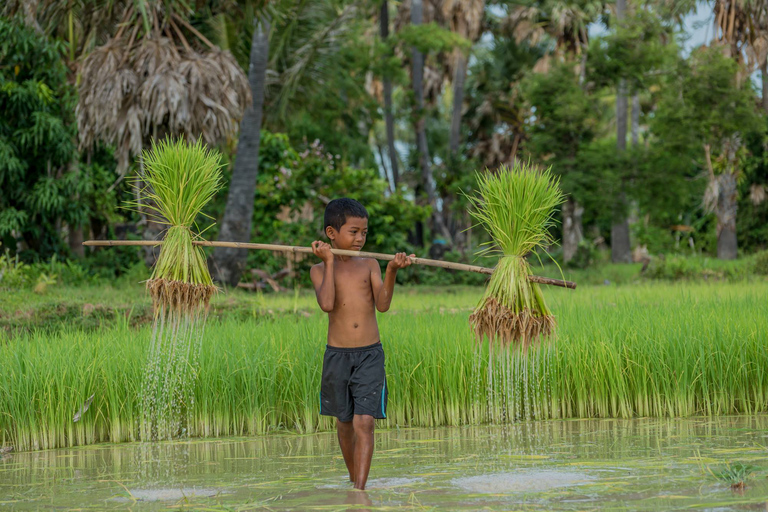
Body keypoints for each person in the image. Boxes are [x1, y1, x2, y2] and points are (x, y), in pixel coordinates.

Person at [310, 198, 413, 490]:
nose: (360, 239)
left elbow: (382, 305)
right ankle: (354, 478)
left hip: (369, 355)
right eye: (354, 232)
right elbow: (328, 303)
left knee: (364, 421)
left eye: (364, 232)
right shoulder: (318, 270)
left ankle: (360, 491)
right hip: (338, 356)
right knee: (344, 423)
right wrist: (329, 261)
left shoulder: (369, 264)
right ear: (332, 232)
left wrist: (391, 269)